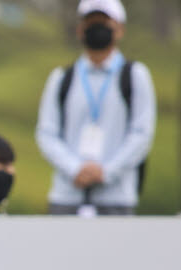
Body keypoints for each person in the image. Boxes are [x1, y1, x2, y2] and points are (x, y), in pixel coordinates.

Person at [35, 0, 156, 217]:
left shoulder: (135, 75)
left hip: (116, 196)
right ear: (80, 30)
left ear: (119, 30)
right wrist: (75, 168)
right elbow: (46, 133)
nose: (97, 29)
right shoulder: (61, 78)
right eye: (91, 23)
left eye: (104, 23)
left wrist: (106, 171)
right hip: (67, 195)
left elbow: (141, 134)